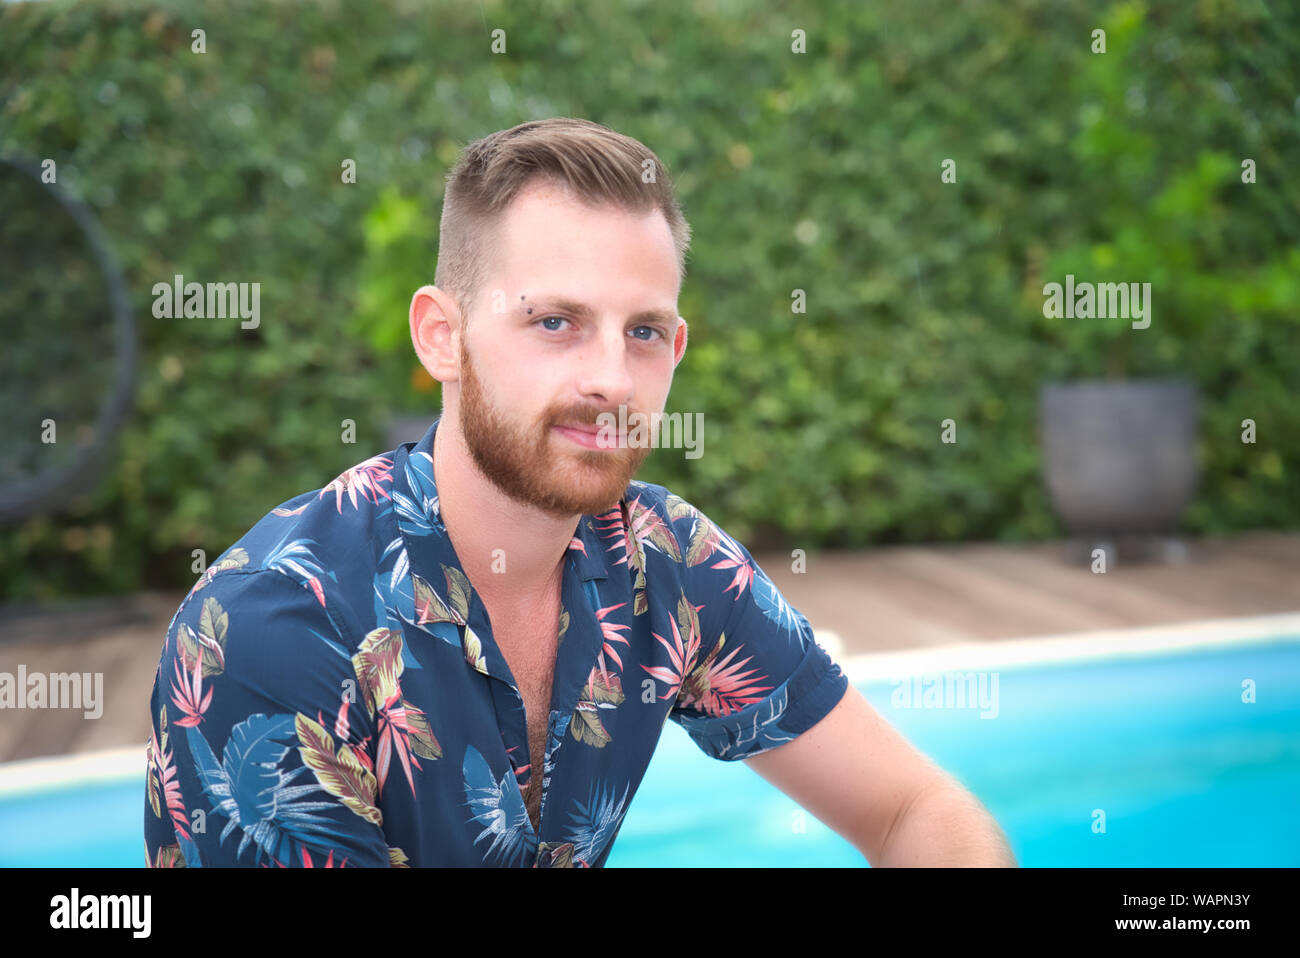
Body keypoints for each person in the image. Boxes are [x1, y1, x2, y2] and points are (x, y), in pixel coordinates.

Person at [143, 117, 1016, 867]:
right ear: (442, 338)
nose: (610, 378)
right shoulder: (271, 629)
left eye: (643, 332)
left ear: (675, 355)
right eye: (554, 321)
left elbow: (915, 812)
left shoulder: (663, 560)